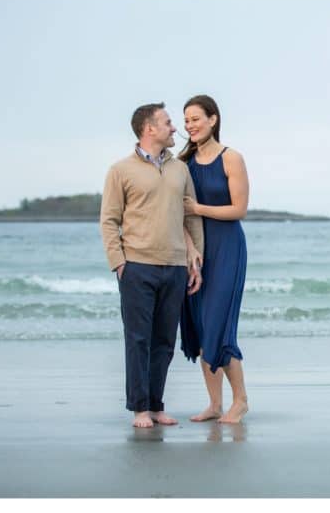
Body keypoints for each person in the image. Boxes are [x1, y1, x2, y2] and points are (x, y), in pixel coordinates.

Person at [100, 102, 204, 428]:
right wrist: (119, 263)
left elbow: (190, 216)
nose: (175, 128)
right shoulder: (120, 170)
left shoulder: (180, 169)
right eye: (168, 122)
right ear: (149, 129)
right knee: (138, 340)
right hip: (137, 267)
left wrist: (194, 258)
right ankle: (139, 408)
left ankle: (157, 405)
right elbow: (109, 221)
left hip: (174, 266)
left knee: (163, 341)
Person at [178, 95, 250, 424]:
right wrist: (190, 248)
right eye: (186, 120)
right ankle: (215, 403)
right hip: (195, 251)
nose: (190, 125)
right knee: (202, 325)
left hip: (227, 248)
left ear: (213, 120)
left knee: (220, 326)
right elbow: (178, 214)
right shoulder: (183, 163)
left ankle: (241, 400)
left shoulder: (231, 158)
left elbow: (239, 209)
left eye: (195, 119)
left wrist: (199, 209)